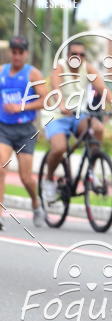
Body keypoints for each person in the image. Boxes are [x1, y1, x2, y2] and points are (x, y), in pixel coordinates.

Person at [40, 40, 112, 203]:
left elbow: (102, 88)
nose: (78, 57)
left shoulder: (88, 68)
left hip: (78, 115)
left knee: (97, 128)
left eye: (81, 54)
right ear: (68, 55)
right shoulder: (60, 67)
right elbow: (55, 88)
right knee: (59, 148)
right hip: (56, 116)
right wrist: (61, 104)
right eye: (73, 54)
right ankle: (48, 180)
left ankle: (90, 172)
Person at [0, 36, 48, 229]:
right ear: (10, 52)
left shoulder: (33, 74)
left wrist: (21, 106)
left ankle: (36, 204)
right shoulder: (2, 72)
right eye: (14, 52)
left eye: (21, 52)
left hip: (25, 130)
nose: (17, 56)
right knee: (1, 168)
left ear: (26, 54)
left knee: (25, 178)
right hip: (3, 128)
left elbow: (45, 100)